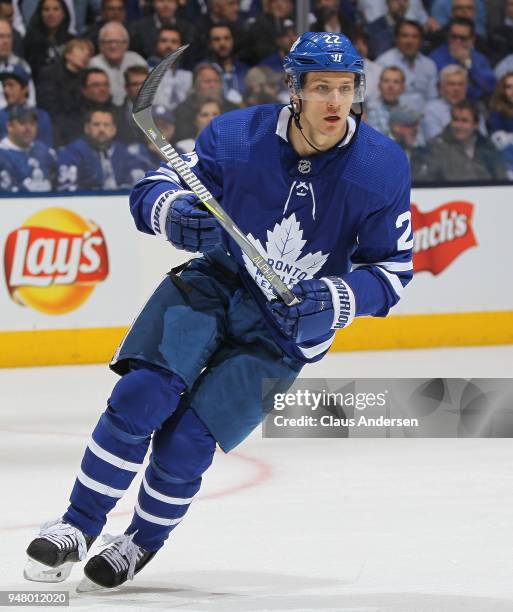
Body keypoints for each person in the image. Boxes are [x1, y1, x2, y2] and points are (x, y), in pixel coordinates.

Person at [23, 32, 413, 591]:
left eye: (345, 88)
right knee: (141, 397)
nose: (334, 102)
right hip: (214, 284)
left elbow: (392, 272)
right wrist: (172, 212)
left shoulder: (380, 168)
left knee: (187, 444)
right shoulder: (238, 136)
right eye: (321, 87)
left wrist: (336, 300)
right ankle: (76, 525)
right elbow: (152, 189)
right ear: (294, 90)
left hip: (285, 328)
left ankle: (139, 543)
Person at [56, 108, 147, 190]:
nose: (101, 129)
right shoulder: (73, 151)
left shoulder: (124, 152)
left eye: (106, 125)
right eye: (96, 124)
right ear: (87, 128)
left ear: (113, 130)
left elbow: (139, 186)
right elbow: (66, 188)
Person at [425, 99, 508, 181]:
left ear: (476, 124)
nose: (458, 125)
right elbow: (430, 180)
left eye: (464, 121)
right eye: (455, 119)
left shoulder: (487, 146)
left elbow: (501, 177)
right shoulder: (436, 146)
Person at [376, 19, 438, 111]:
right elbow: (379, 98)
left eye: (415, 36)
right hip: (393, 114)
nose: (410, 41)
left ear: (421, 40)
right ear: (396, 39)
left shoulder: (429, 65)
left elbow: (432, 98)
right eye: (405, 36)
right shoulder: (384, 62)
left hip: (425, 116)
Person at [429, 17, 495, 100]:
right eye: (454, 36)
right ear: (448, 36)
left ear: (472, 39)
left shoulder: (480, 59)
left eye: (462, 38)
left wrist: (468, 63)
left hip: (474, 104)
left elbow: (490, 86)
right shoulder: (436, 57)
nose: (457, 41)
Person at [89, 21, 147, 106]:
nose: (113, 46)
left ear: (126, 44)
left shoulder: (137, 61)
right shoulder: (92, 65)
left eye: (118, 42)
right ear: (100, 45)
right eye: (109, 42)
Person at [0, 105, 55, 192]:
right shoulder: (2, 154)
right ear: (9, 126)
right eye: (22, 123)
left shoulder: (45, 152)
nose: (28, 128)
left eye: (32, 123)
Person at [0, 64, 52, 145]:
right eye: (4, 86)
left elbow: (46, 149)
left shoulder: (41, 116)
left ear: (25, 89)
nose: (6, 90)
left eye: (11, 85)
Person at [22, 0, 73, 79]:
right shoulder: (30, 40)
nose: (51, 14)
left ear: (64, 14)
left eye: (56, 9)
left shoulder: (71, 41)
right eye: (46, 9)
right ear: (40, 13)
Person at [421, 63, 468, 140]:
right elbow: (435, 142)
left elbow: (482, 138)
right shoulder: (430, 110)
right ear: (440, 88)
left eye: (460, 84)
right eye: (451, 84)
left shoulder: (473, 108)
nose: (456, 89)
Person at [366, 65, 407, 136]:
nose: (390, 86)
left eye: (396, 82)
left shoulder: (409, 112)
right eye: (386, 81)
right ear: (379, 86)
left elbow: (418, 143)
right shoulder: (369, 112)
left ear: (403, 88)